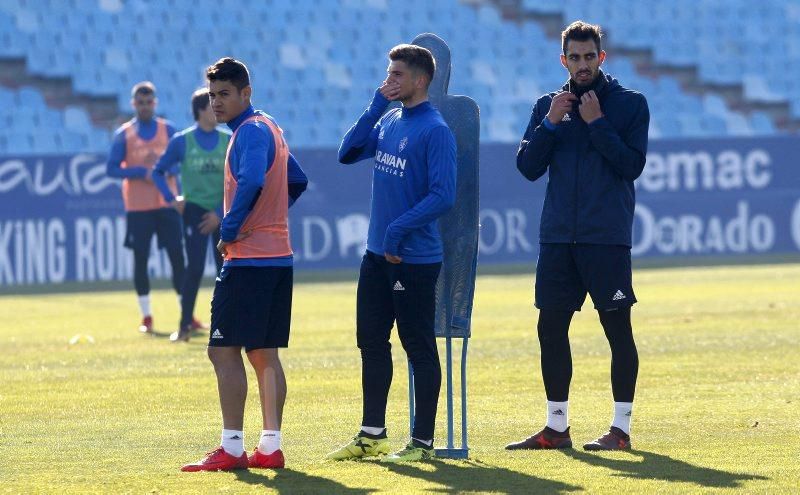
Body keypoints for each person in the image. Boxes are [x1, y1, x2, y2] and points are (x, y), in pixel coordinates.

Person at [506, 21, 649, 452]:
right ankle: (556, 428)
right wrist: (550, 123)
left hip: (605, 236)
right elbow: (528, 167)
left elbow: (631, 166)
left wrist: (598, 123)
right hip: (557, 238)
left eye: (590, 57)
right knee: (550, 328)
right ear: (563, 59)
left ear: (601, 58)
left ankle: (620, 430)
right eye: (575, 57)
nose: (582, 64)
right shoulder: (549, 106)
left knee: (617, 329)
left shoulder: (629, 104)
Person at [327, 44, 456, 463]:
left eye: (397, 75)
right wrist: (375, 104)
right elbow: (347, 153)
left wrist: (398, 231)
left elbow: (443, 195)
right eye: (388, 73)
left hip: (413, 258)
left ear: (420, 80)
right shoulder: (389, 118)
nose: (389, 81)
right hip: (378, 254)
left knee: (417, 346)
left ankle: (422, 444)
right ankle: (372, 434)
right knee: (371, 341)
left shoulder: (435, 130)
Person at [181, 58, 307, 472]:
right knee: (264, 354)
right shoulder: (268, 127)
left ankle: (232, 447)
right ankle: (270, 446)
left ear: (245, 93)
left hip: (250, 260)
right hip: (277, 257)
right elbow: (297, 180)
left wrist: (232, 228)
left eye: (224, 94)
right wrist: (271, 219)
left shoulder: (250, 133)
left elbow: (253, 181)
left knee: (222, 352)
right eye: (212, 95)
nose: (216, 102)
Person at [107, 82, 186, 334]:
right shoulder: (125, 134)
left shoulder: (169, 130)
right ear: (133, 104)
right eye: (140, 102)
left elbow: (181, 162)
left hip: (167, 203)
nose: (144, 106)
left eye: (148, 102)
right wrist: (141, 172)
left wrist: (165, 171)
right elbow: (111, 168)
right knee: (141, 259)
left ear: (155, 103)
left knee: (177, 257)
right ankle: (147, 316)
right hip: (138, 207)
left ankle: (187, 313)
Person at [152, 88, 230, 343]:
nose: (217, 108)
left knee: (225, 270)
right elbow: (158, 172)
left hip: (222, 212)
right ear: (200, 111)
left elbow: (239, 180)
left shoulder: (227, 140)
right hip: (194, 211)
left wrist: (219, 213)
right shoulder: (182, 141)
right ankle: (185, 326)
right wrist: (171, 199)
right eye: (212, 105)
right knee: (194, 268)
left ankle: (225, 328)